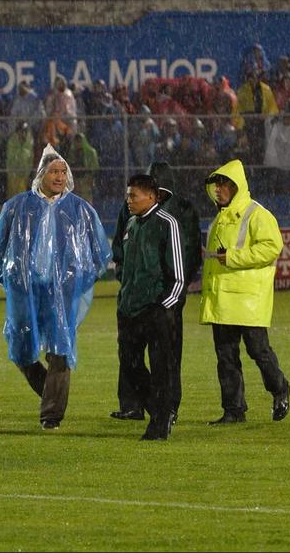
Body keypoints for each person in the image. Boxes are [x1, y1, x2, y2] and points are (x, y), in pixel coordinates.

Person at [0, 144, 112, 430]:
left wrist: (78, 279)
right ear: (41, 174)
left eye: (63, 172)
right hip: (25, 292)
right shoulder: (17, 206)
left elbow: (98, 251)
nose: (59, 177)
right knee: (21, 348)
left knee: (60, 349)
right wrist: (10, 279)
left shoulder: (80, 210)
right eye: (53, 171)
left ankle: (51, 414)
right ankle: (50, 392)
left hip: (61, 293)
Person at [110, 162, 202, 423]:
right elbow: (121, 249)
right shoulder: (131, 216)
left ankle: (167, 410)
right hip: (134, 301)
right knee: (131, 360)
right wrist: (127, 282)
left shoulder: (176, 215)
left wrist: (171, 299)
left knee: (166, 360)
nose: (130, 200)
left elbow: (189, 255)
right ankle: (140, 406)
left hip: (164, 300)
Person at [200, 161, 290, 424]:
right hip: (223, 299)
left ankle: (280, 388)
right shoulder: (220, 218)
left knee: (258, 351)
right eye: (216, 185)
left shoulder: (257, 214)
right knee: (226, 357)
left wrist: (233, 257)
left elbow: (272, 247)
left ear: (235, 186)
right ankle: (233, 410)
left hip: (248, 299)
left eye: (223, 185)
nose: (218, 190)